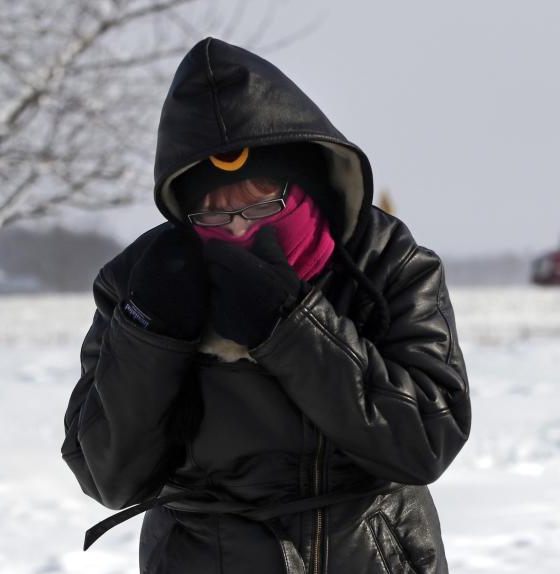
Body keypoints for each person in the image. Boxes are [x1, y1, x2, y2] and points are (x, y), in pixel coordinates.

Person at [60, 36, 471, 574]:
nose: (238, 230)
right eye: (214, 215)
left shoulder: (388, 262)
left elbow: (423, 442)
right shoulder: (140, 282)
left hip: (369, 553)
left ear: (303, 185)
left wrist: (291, 324)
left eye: (259, 205)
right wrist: (150, 334)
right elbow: (107, 476)